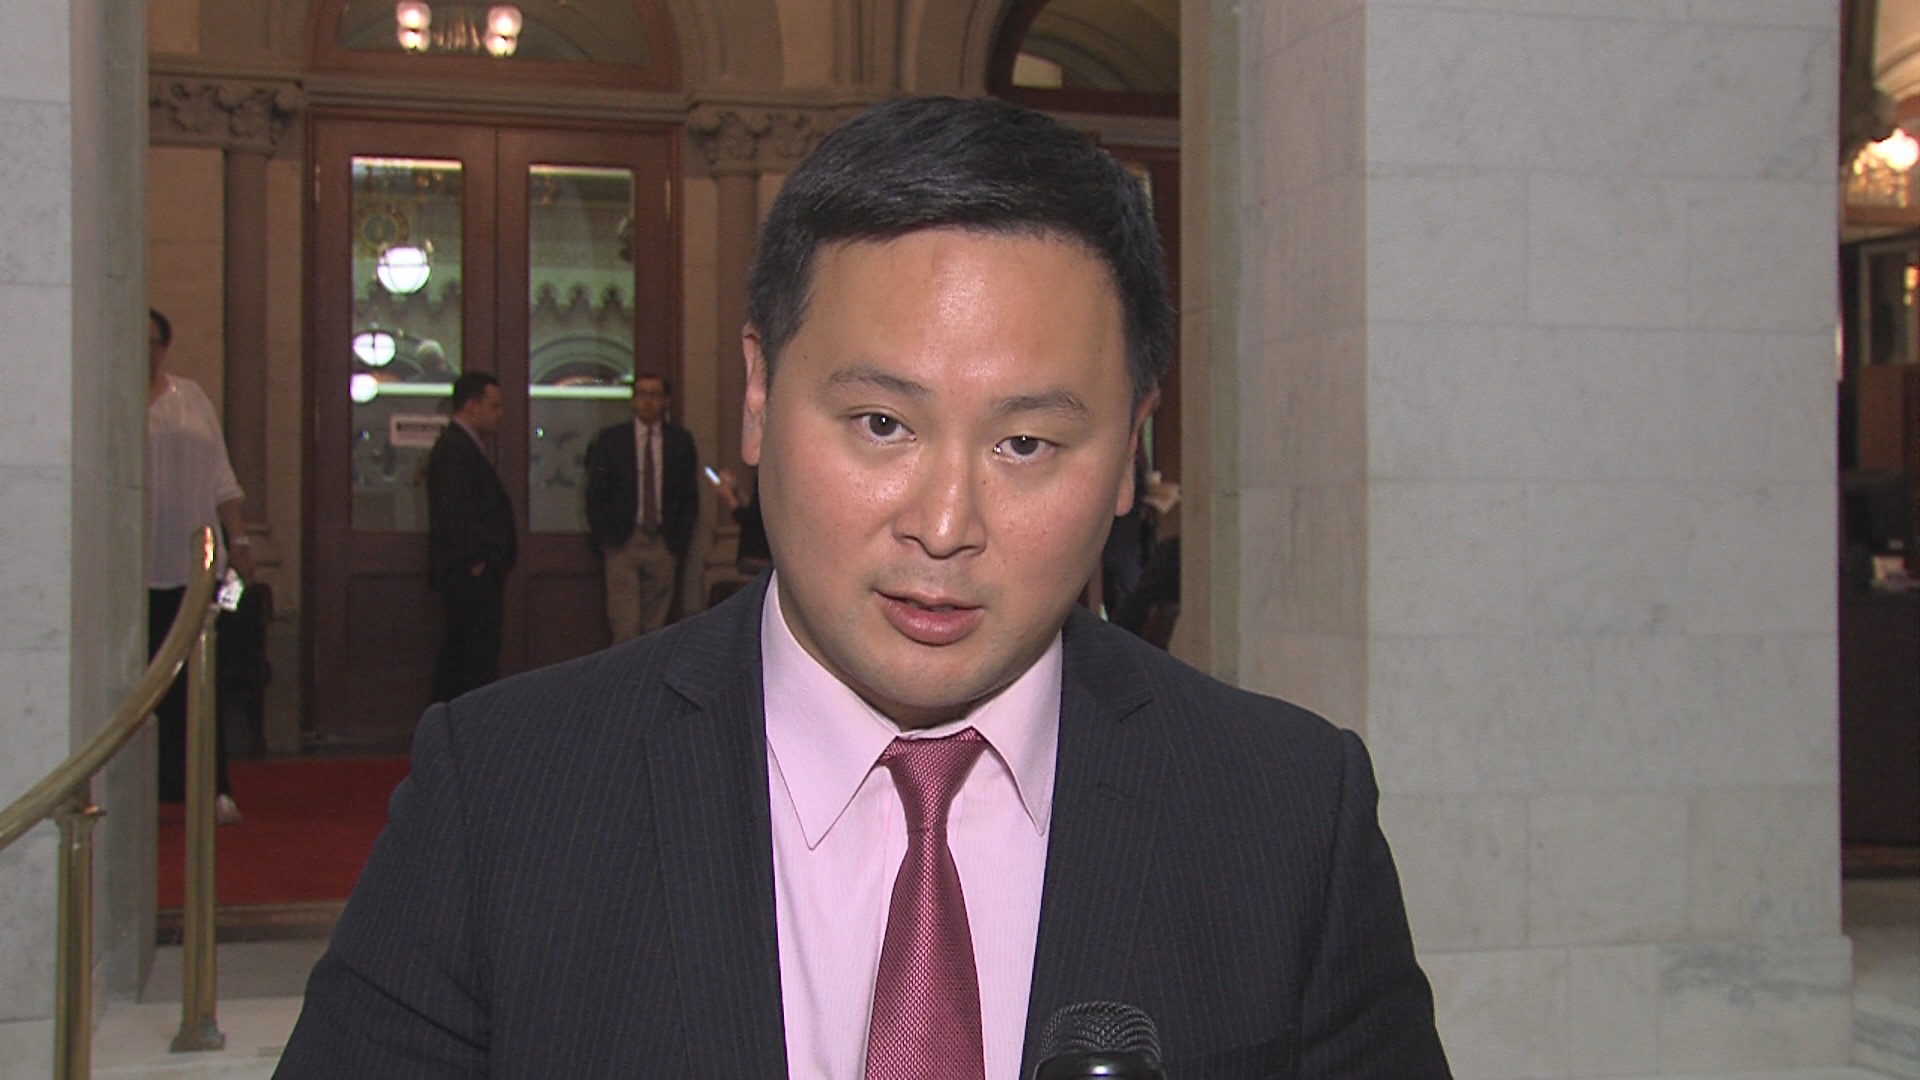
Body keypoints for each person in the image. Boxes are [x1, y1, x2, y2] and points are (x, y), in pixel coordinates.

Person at [276, 97, 1449, 1078]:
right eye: (882, 423)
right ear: (757, 395)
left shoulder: (1288, 816)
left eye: (1027, 444)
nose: (944, 524)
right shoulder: (504, 797)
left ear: (1133, 450)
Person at [148, 309, 251, 826]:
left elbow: (222, 477)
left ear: (165, 345)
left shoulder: (190, 398)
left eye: (152, 340)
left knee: (200, 682)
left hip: (196, 565)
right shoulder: (110, 398)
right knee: (146, 686)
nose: (144, 350)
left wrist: (241, 540)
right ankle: (150, 788)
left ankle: (214, 787)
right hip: (135, 569)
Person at [583, 374, 699, 640]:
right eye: (641, 394)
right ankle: (626, 670)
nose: (647, 401)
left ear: (666, 400)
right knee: (626, 626)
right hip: (623, 540)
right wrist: (605, 539)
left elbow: (689, 496)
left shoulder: (679, 442)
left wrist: (677, 541)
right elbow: (595, 493)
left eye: (654, 394)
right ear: (633, 400)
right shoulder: (612, 440)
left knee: (654, 630)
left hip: (662, 541)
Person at [426, 371, 515, 702]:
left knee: (466, 655)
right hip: (468, 576)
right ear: (472, 405)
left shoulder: (465, 448)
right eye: (494, 406)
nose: (500, 414)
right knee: (470, 658)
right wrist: (476, 561)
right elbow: (456, 512)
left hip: (474, 573)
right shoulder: (454, 450)